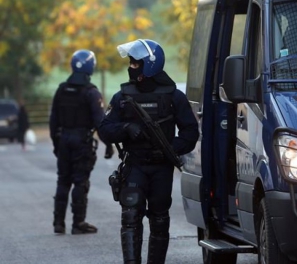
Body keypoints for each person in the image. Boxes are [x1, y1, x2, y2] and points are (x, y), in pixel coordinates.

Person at [98, 39, 198, 264]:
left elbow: (190, 132)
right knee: (131, 216)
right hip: (135, 165)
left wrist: (171, 149)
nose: (131, 68)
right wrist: (126, 128)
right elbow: (104, 129)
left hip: (161, 168)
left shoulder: (173, 96)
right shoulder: (123, 97)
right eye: (131, 64)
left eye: (135, 64)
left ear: (149, 66)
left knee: (160, 219)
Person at [49, 49, 104, 235]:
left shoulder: (62, 89)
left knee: (63, 181)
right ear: (91, 67)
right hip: (82, 141)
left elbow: (53, 120)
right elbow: (100, 122)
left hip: (64, 139)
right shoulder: (91, 92)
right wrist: (110, 145)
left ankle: (58, 222)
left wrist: (56, 144)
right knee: (80, 182)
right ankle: (78, 223)